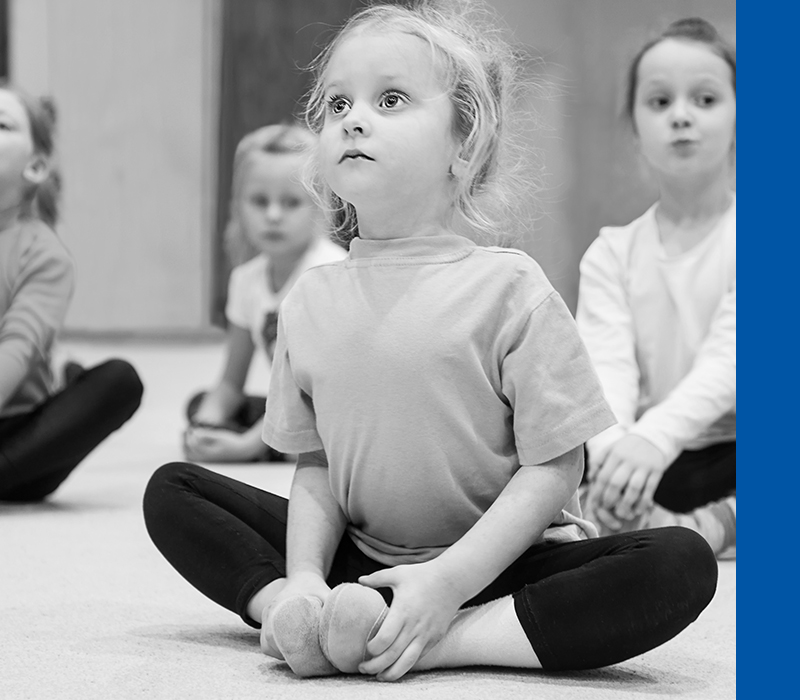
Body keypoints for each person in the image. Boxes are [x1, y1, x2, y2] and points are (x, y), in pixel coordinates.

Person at [144, 1, 717, 683]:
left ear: (464, 142)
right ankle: (298, 613)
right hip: (357, 557)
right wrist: (301, 575)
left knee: (679, 561)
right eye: (335, 106)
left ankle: (438, 639)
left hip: (500, 566)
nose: (352, 118)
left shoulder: (511, 286)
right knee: (172, 490)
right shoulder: (311, 299)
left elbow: (557, 469)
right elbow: (316, 467)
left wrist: (446, 585)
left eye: (390, 99)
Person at [576, 18, 736, 558]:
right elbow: (604, 372)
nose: (682, 116)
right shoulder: (611, 253)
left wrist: (653, 438)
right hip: (661, 460)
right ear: (635, 125)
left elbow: (731, 358)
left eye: (706, 99)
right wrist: (613, 456)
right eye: (660, 101)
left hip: (733, 449)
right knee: (550, 465)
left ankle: (712, 529)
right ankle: (656, 520)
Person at [0, 84, 143, 502]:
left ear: (36, 166)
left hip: (19, 439)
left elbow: (17, 349)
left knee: (118, 380)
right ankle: (69, 377)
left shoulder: (43, 256)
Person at [182, 124, 346, 463]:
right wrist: (205, 425)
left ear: (318, 204)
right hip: (292, 405)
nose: (273, 215)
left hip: (335, 404)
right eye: (259, 201)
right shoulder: (245, 280)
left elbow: (315, 392)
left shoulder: (327, 273)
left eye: (290, 203)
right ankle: (276, 442)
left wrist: (244, 447)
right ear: (239, 205)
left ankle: (277, 445)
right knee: (200, 404)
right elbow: (230, 383)